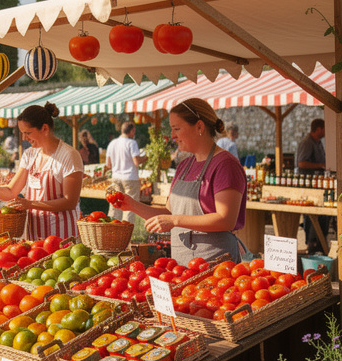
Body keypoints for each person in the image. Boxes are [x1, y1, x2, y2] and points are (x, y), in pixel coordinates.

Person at [117, 99, 248, 264]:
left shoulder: (225, 164)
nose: (172, 136)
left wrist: (175, 221)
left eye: (176, 129)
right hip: (181, 265)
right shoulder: (184, 166)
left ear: (199, 127)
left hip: (215, 264)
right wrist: (131, 205)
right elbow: (169, 213)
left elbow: (225, 219)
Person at [0, 103, 83, 240]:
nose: (24, 138)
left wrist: (29, 204)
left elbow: (70, 201)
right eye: (22, 133)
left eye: (27, 133)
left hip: (62, 237)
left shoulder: (69, 155)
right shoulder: (30, 155)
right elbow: (11, 191)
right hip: (34, 237)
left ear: (45, 129)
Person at [296, 118, 327, 253]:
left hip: (317, 183)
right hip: (309, 184)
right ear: (319, 129)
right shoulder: (307, 143)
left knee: (322, 214)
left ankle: (319, 241)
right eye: (324, 129)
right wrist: (321, 165)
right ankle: (311, 242)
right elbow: (301, 163)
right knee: (310, 214)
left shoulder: (318, 143)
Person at [105, 121, 146, 223]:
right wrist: (145, 158)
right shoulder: (132, 143)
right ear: (132, 130)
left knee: (115, 205)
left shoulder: (112, 143)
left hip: (116, 177)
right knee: (130, 207)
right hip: (130, 177)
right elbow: (136, 161)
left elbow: (108, 165)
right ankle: (126, 233)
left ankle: (112, 230)